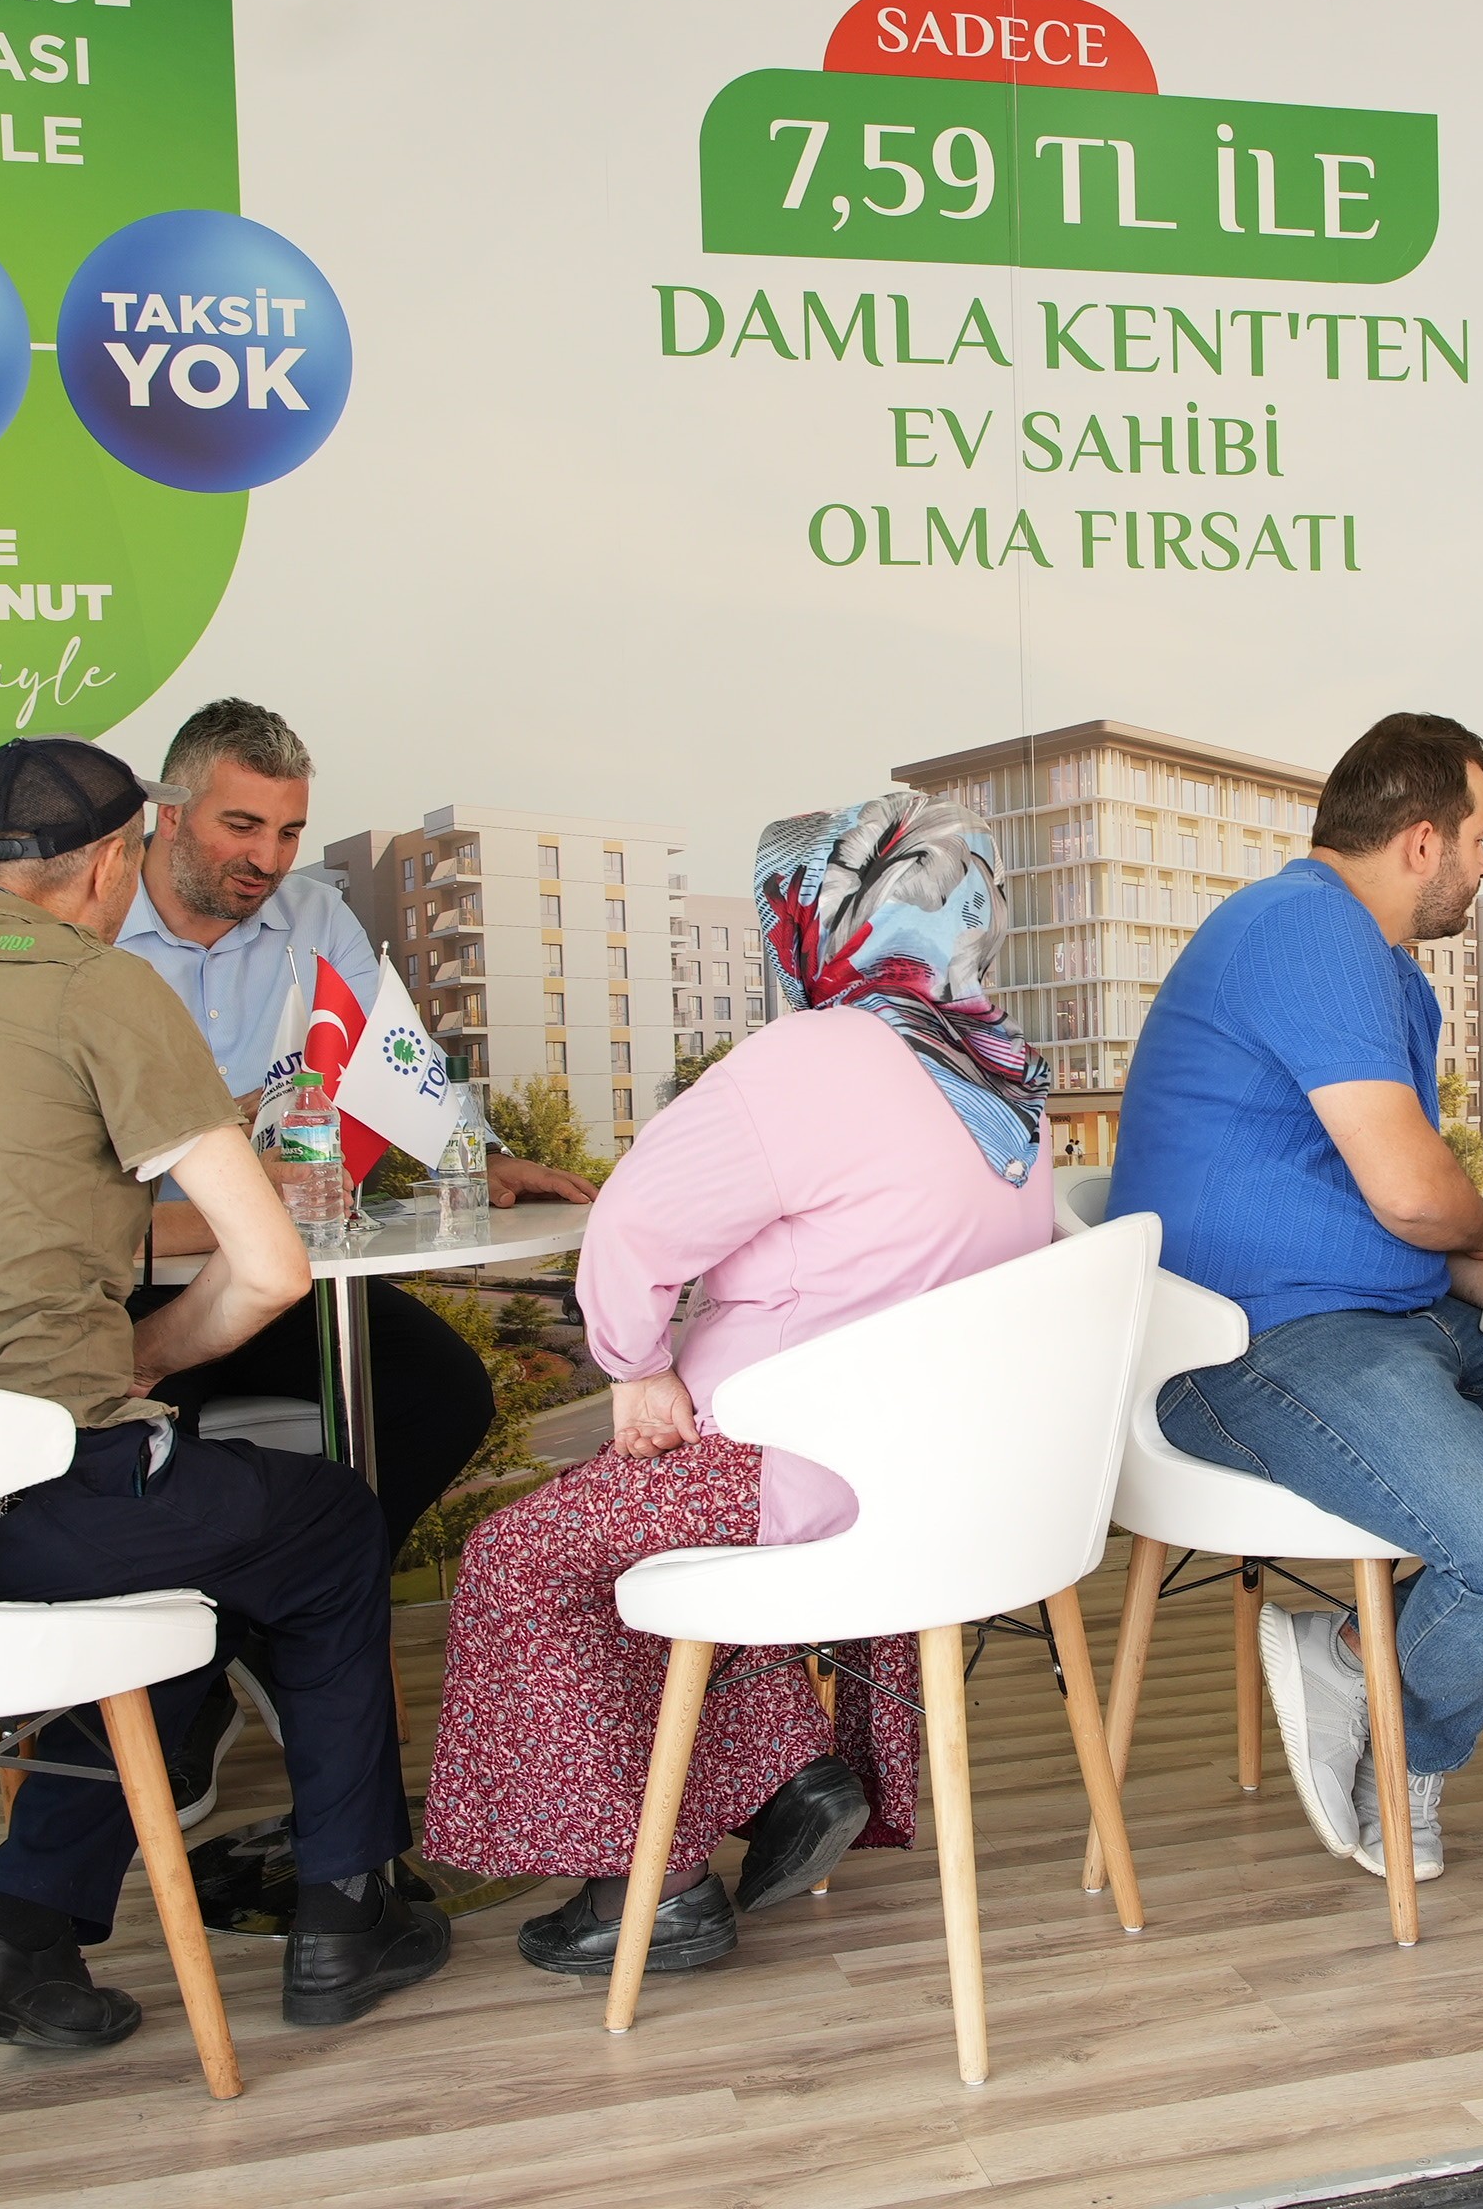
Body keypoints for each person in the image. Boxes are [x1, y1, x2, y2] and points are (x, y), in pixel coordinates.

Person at [0, 736, 448, 2046]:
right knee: (322, 1521)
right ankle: (347, 1914)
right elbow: (271, 1267)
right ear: (107, 864)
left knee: (174, 1561)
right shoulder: (99, 985)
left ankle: (19, 1934)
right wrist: (148, 1357)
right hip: (23, 1495)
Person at [423, 791, 1053, 1976]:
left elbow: (634, 1222)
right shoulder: (1005, 1076)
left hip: (791, 1468)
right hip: (933, 1479)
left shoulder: (818, 1054)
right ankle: (785, 1773)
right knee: (632, 1518)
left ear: (820, 917)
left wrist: (635, 1364)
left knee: (526, 1557)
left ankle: (652, 1890)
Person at [1109, 713, 1483, 1883]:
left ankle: (1348, 1659)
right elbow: (1422, 1199)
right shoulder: (1308, 926)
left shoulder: (1381, 974)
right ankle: (1409, 1745)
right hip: (1254, 1347)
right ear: (1423, 841)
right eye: (1480, 836)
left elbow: (1413, 1230)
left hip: (1395, 1322)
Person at [119, 698, 593, 1563]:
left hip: (291, 1277)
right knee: (140, 1462)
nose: (268, 859)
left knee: (446, 1395)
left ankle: (312, 1602)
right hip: (133, 1288)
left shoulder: (315, 917)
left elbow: (392, 1053)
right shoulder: (93, 925)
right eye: (242, 826)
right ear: (172, 813)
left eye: (289, 832)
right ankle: (220, 1637)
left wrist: (478, 1154)